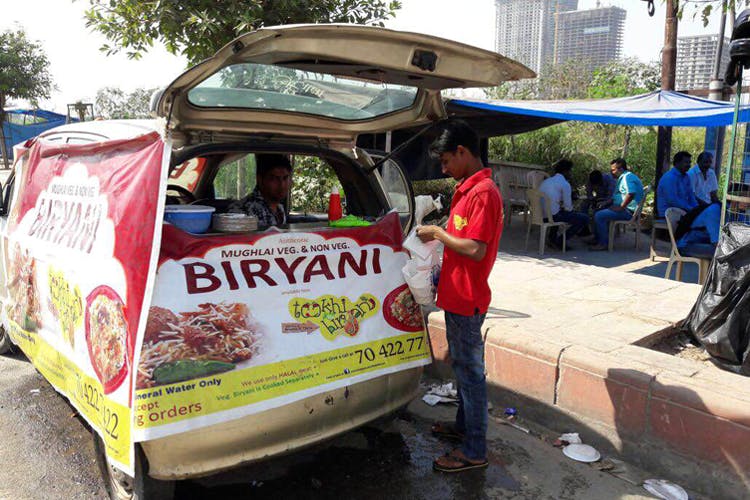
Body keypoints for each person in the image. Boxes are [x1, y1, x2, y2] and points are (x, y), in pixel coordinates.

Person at [416, 120, 503, 474]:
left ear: (463, 152)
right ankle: (464, 429)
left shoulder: (482, 193)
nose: (444, 168)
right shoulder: (468, 191)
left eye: (446, 161)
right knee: (465, 369)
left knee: (470, 374)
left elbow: (475, 248)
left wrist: (438, 231)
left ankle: (474, 450)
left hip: (468, 297)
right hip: (457, 294)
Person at [657, 151, 720, 247]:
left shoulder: (685, 176)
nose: (689, 165)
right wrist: (692, 210)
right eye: (686, 162)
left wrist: (696, 209)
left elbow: (691, 196)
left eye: (689, 162)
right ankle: (711, 243)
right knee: (708, 216)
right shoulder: (669, 178)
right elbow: (673, 201)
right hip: (670, 213)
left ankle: (713, 242)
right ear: (677, 163)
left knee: (711, 213)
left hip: (684, 211)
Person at [589, 158, 644, 251]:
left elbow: (631, 193)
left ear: (621, 169)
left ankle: (603, 244)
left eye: (613, 170)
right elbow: (617, 196)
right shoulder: (624, 177)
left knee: (599, 215)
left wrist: (621, 207)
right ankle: (599, 239)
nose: (611, 172)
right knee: (598, 210)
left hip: (628, 211)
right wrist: (607, 203)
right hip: (624, 209)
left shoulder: (627, 177)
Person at [538, 159, 590, 248]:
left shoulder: (546, 181)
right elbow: (568, 208)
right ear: (566, 171)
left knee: (556, 210)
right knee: (584, 218)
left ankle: (552, 239)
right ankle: (559, 241)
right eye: (570, 171)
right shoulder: (565, 184)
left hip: (540, 215)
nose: (570, 174)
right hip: (552, 217)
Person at [229, 153, 292, 226]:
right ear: (260, 179)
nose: (282, 185)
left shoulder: (279, 208)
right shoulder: (243, 211)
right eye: (275, 179)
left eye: (285, 178)